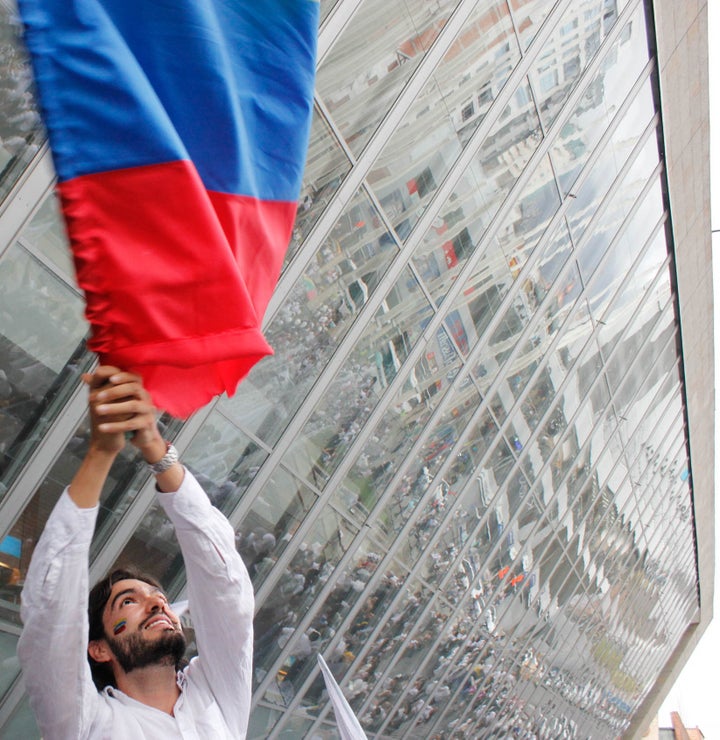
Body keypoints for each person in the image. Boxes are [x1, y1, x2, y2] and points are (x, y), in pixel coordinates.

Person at [17, 366, 254, 738]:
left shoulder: (217, 696)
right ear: (98, 649)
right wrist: (100, 451)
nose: (158, 604)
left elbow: (226, 588)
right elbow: (51, 619)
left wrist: (154, 447)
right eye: (128, 601)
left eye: (158, 597)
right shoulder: (86, 724)